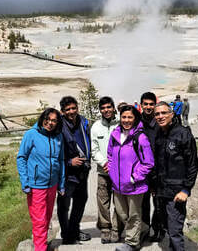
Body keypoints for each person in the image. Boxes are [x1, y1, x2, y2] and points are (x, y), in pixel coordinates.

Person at [151, 102, 198, 251]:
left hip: (177, 191)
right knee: (166, 225)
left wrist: (186, 189)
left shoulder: (183, 133)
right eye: (157, 114)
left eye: (164, 113)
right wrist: (154, 185)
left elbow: (193, 165)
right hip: (161, 190)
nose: (160, 116)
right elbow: (157, 163)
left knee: (175, 231)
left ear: (172, 114)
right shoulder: (159, 134)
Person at [16, 108, 66, 251]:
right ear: (42, 118)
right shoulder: (31, 134)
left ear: (57, 123)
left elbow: (61, 160)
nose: (50, 123)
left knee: (47, 218)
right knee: (39, 221)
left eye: (54, 120)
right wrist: (25, 181)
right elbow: (21, 158)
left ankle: (42, 244)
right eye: (47, 119)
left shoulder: (58, 136)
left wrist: (61, 183)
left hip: (52, 185)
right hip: (36, 185)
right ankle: (40, 248)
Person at [108, 105, 155, 251]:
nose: (126, 120)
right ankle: (144, 228)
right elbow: (110, 155)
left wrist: (134, 177)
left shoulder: (140, 138)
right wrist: (112, 172)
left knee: (134, 214)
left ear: (135, 119)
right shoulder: (115, 135)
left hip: (135, 185)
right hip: (118, 184)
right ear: (120, 118)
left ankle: (132, 243)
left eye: (130, 117)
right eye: (124, 117)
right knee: (122, 213)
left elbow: (149, 162)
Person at [57, 96, 92, 244]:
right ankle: (67, 235)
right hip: (67, 173)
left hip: (83, 171)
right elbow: (55, 151)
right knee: (64, 205)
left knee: (81, 201)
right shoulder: (59, 126)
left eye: (73, 108)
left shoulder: (83, 122)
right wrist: (69, 162)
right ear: (62, 111)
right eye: (68, 109)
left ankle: (74, 230)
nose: (72, 111)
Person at [91, 97, 120, 244]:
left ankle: (116, 228)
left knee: (119, 200)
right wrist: (104, 163)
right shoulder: (96, 127)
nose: (106, 110)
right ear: (100, 110)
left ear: (113, 108)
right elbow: (94, 149)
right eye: (103, 108)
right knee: (103, 199)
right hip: (103, 170)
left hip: (121, 170)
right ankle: (105, 228)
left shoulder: (122, 122)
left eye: (109, 107)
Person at [140, 92, 158, 241]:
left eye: (151, 104)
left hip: (158, 170)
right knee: (143, 202)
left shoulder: (160, 122)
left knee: (158, 202)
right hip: (142, 171)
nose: (148, 107)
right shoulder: (136, 122)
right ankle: (144, 230)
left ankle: (157, 230)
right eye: (145, 104)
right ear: (141, 105)